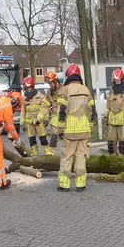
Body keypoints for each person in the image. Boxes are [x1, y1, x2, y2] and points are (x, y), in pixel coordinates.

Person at [56, 64, 96, 192]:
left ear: (68, 76)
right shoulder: (86, 90)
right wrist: (91, 126)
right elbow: (92, 111)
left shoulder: (65, 90)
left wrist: (60, 130)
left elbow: (62, 112)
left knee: (67, 157)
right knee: (81, 157)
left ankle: (64, 184)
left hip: (70, 128)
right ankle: (80, 184)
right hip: (84, 129)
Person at [105, 69, 124, 156]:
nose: (117, 81)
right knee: (111, 143)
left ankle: (122, 161)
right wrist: (106, 117)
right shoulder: (111, 90)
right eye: (115, 80)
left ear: (122, 79)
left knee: (122, 144)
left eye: (118, 79)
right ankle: (113, 160)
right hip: (112, 120)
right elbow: (108, 105)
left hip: (122, 120)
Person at [22, 76, 53, 156]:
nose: (28, 90)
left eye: (29, 88)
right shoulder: (24, 98)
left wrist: (46, 120)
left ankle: (47, 151)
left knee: (43, 137)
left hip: (39, 121)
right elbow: (23, 111)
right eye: (26, 88)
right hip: (29, 122)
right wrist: (22, 123)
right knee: (31, 139)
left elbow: (44, 109)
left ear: (32, 87)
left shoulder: (40, 96)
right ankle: (34, 153)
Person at [38, 71, 62, 153]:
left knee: (67, 138)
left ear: (56, 81)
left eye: (51, 83)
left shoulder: (65, 90)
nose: (50, 86)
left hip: (66, 117)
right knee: (54, 136)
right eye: (49, 84)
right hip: (56, 116)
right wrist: (40, 118)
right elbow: (45, 106)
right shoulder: (49, 93)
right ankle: (51, 153)